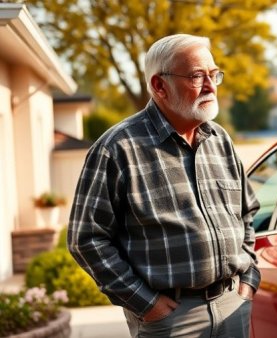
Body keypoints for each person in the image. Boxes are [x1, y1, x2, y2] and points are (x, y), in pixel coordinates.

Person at [68, 34, 260, 337]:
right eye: (197, 76)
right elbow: (87, 238)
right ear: (159, 86)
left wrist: (248, 280)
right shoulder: (118, 148)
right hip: (170, 319)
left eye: (214, 74)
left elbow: (247, 213)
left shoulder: (220, 140)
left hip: (232, 305)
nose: (210, 86)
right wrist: (146, 304)